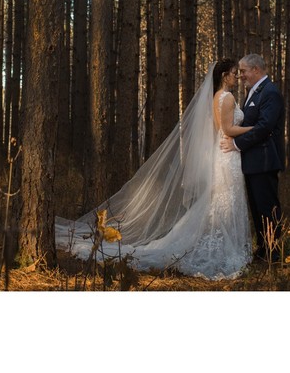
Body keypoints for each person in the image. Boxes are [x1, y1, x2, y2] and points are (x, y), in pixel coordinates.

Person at [55, 60, 253, 280]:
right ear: (224, 75)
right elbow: (227, 129)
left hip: (223, 153)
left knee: (222, 202)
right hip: (227, 155)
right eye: (234, 73)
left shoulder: (216, 97)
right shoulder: (227, 97)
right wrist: (255, 128)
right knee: (226, 201)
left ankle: (221, 244)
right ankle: (222, 248)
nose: (237, 77)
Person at [220, 53, 285, 261]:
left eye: (243, 71)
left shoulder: (270, 92)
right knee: (257, 209)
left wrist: (236, 144)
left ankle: (273, 252)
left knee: (267, 207)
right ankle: (263, 248)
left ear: (256, 69)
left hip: (265, 160)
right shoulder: (253, 92)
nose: (240, 76)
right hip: (252, 161)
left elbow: (264, 127)